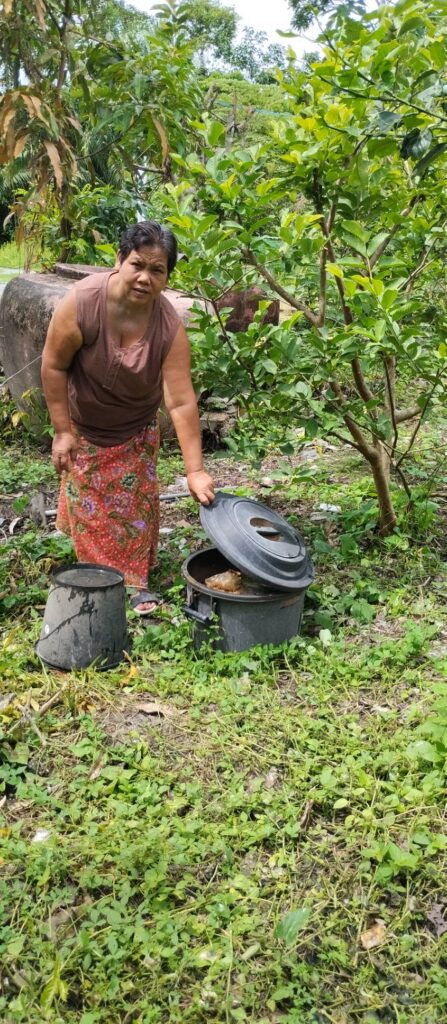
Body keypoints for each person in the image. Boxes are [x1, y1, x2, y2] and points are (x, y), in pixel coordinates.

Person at [41, 220, 215, 615]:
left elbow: (181, 401)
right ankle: (103, 580)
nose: (144, 278)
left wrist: (195, 470)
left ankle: (134, 581)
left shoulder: (168, 327)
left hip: (136, 432)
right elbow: (53, 365)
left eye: (157, 270)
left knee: (134, 511)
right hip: (85, 429)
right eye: (137, 264)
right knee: (92, 513)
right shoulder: (82, 304)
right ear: (119, 260)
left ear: (167, 277)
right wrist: (62, 432)